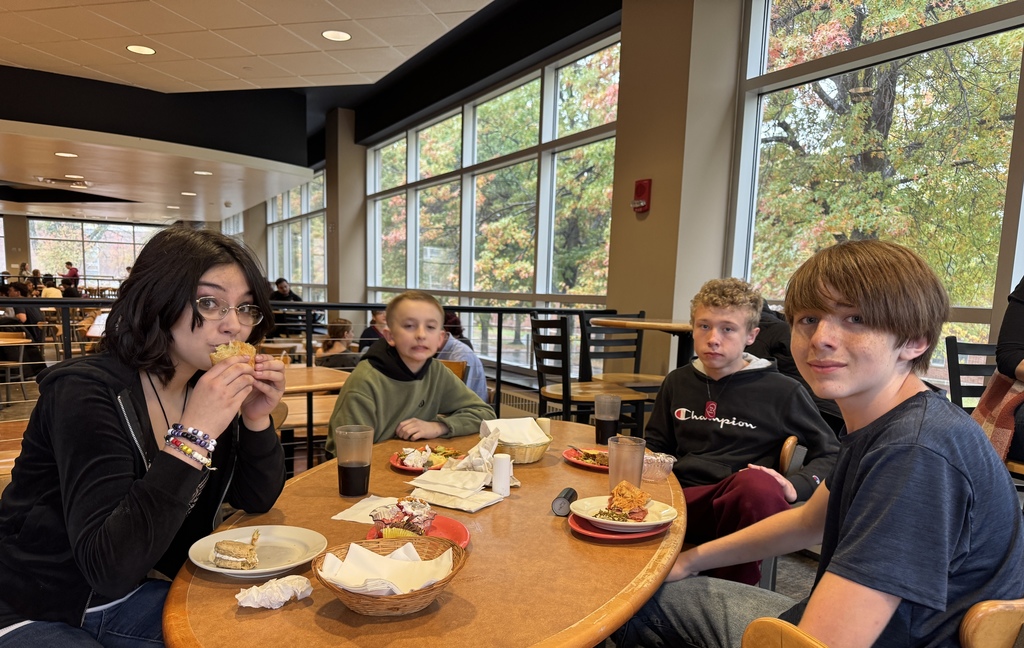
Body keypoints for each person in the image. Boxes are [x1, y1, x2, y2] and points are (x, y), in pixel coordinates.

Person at [610, 240, 1024, 648]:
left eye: (855, 318)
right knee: (641, 591)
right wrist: (689, 560)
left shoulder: (914, 452)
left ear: (914, 340)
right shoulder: (891, 424)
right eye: (809, 318)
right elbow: (807, 522)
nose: (821, 338)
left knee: (622, 607)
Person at [0, 228, 287, 647]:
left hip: (133, 593)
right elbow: (107, 567)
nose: (234, 326)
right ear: (158, 300)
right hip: (35, 602)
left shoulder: (203, 388)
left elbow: (256, 499)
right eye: (209, 303)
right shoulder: (84, 393)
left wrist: (256, 419)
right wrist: (194, 436)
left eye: (245, 308)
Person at [645, 277, 838, 585]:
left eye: (728, 329)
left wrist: (796, 486)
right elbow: (656, 447)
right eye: (704, 326)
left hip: (742, 509)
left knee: (758, 484)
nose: (713, 339)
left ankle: (728, 590)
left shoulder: (782, 391)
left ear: (751, 335)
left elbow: (832, 454)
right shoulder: (677, 381)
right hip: (680, 502)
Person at [327, 290, 494, 452]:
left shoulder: (437, 372)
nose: (421, 334)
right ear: (390, 336)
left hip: (421, 466)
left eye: (430, 327)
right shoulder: (365, 382)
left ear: (440, 338)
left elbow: (484, 413)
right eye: (409, 326)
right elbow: (346, 453)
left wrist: (438, 426)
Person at [746, 301, 844, 434]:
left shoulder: (761, 335)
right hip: (831, 408)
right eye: (810, 320)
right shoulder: (781, 324)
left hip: (816, 412)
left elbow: (753, 383)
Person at [436, 328, 488, 402]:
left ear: (441, 335)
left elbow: (458, 397)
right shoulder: (440, 352)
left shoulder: (461, 355)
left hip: (469, 405)